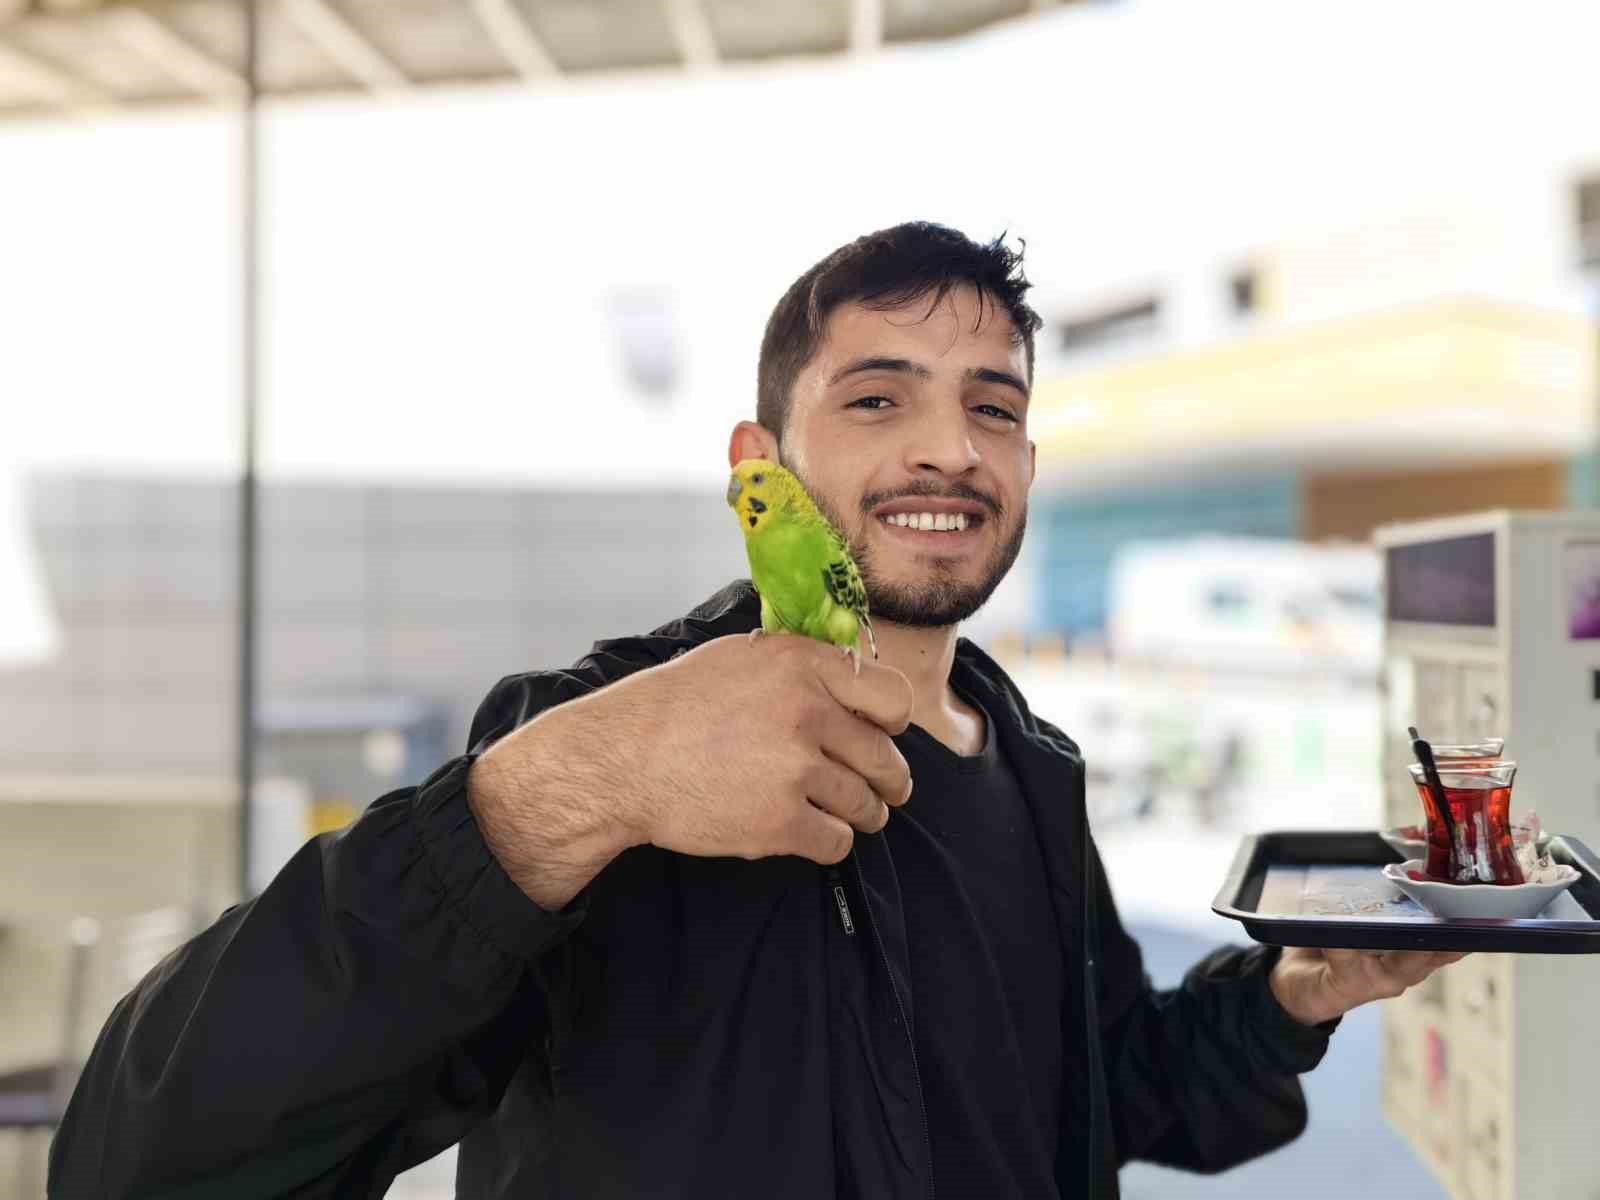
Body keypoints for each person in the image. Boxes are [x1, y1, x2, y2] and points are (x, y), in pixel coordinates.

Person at [49, 222, 1463, 1199]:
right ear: (759, 459)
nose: (945, 446)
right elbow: (150, 1155)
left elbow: (1109, 1094)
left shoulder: (1036, 768)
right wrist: (567, 791)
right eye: (876, 397)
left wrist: (1293, 994)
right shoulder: (596, 736)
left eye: (993, 405)